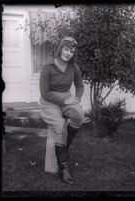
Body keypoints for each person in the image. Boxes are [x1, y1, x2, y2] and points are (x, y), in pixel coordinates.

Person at [39, 36, 84, 184]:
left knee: (79, 116)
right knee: (60, 127)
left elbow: (80, 85)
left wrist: (76, 98)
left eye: (72, 50)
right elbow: (45, 93)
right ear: (60, 49)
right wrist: (64, 100)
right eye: (66, 49)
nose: (68, 53)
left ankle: (63, 148)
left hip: (67, 98)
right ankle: (64, 168)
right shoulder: (48, 67)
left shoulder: (73, 67)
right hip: (49, 101)